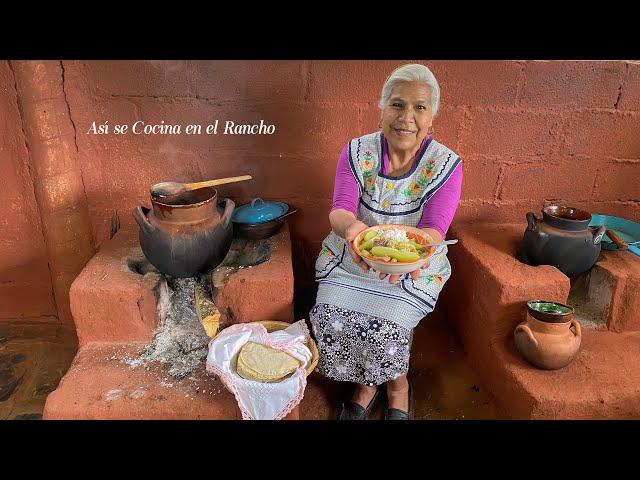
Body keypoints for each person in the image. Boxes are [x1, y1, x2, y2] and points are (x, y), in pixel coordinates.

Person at [309, 64, 463, 420]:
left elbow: (434, 230)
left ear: (432, 116)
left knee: (389, 322)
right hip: (353, 255)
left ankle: (397, 387)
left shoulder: (446, 164)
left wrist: (404, 259)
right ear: (382, 108)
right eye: (397, 105)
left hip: (414, 264)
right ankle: (366, 383)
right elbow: (340, 211)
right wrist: (353, 232)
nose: (406, 118)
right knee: (332, 314)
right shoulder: (356, 152)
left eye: (419, 108)